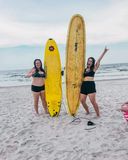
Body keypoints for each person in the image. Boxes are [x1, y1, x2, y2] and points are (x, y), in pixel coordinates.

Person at [80, 47, 109, 117]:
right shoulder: (84, 69)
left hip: (90, 86)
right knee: (82, 101)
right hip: (84, 86)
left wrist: (104, 52)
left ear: (92, 62)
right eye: (88, 60)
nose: (89, 62)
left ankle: (98, 115)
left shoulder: (94, 68)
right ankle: (87, 111)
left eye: (91, 61)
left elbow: (98, 60)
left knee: (93, 102)